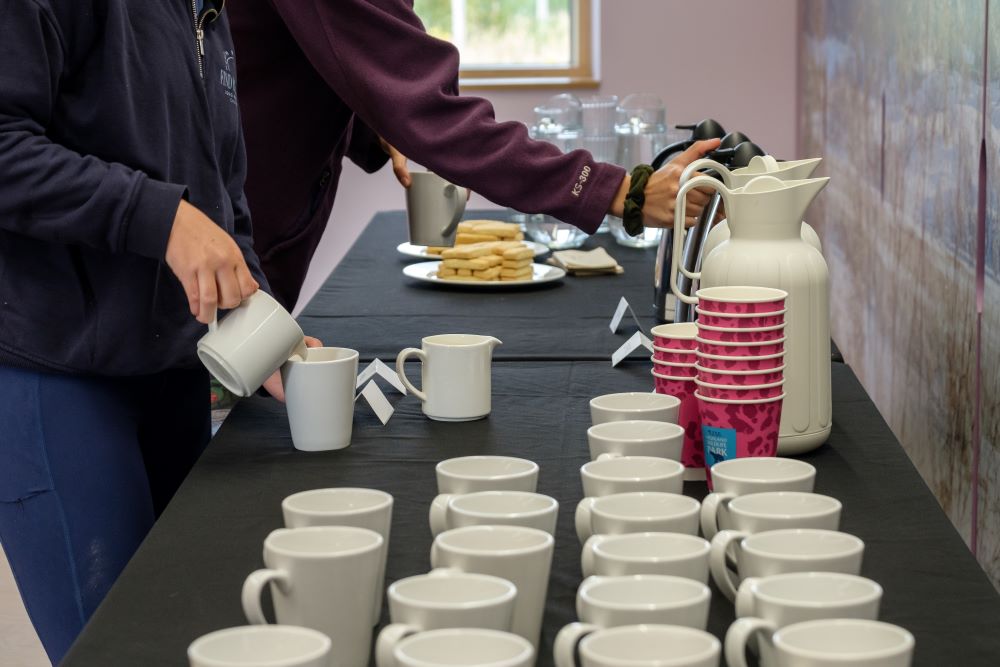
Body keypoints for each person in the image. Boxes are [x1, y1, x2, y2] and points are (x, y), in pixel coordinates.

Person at [0, 1, 297, 661]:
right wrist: (157, 217)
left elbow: (222, 198)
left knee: (193, 642)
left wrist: (261, 320)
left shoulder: (208, 12)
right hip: (60, 375)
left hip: (173, 377)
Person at [228, 0, 721, 311]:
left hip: (249, 225)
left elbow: (322, 49)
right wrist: (621, 191)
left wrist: (373, 120)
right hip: (223, 241)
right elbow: (433, 111)